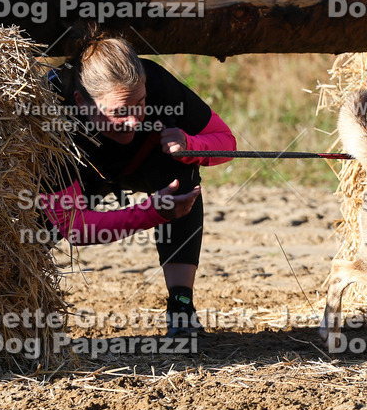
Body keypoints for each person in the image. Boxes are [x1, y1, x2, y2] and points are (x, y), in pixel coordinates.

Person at [41, 32, 236, 336]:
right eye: (120, 112)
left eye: (141, 104)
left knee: (181, 178)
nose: (134, 121)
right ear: (82, 102)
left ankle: (181, 304)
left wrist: (191, 145)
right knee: (32, 221)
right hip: (80, 173)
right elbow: (75, 228)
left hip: (143, 162)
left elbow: (227, 142)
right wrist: (153, 212)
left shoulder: (155, 82)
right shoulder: (51, 109)